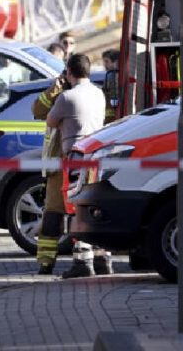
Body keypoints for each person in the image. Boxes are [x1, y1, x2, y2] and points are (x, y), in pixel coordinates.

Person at [40, 54, 111, 278]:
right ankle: (101, 260)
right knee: (92, 209)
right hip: (95, 158)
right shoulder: (99, 93)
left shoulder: (67, 97)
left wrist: (57, 89)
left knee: (73, 210)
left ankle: (81, 263)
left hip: (72, 160)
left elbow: (50, 120)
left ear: (69, 72)